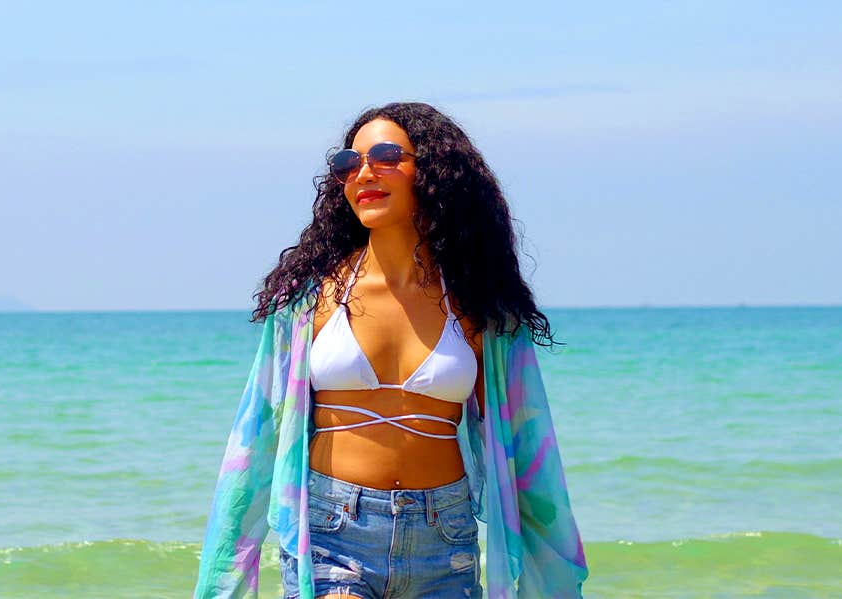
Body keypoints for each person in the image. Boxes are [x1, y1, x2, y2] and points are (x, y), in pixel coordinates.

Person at [194, 102, 588, 599]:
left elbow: (528, 452)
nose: (364, 173)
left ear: (434, 170)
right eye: (348, 163)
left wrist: (553, 576)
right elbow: (257, 437)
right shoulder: (308, 299)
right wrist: (223, 579)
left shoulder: (483, 308)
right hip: (332, 536)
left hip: (445, 538)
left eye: (385, 156)